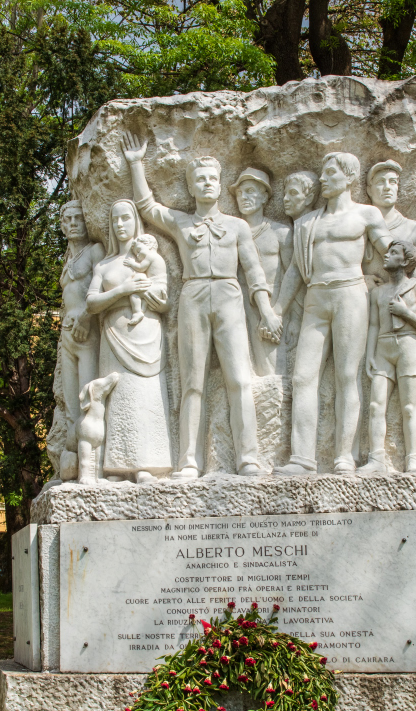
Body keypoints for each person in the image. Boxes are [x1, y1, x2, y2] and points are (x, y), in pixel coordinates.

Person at [121, 132, 278, 478]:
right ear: (191, 188)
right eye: (200, 180)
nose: (207, 184)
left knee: (239, 378)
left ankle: (248, 458)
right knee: (193, 382)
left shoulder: (237, 227)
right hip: (193, 297)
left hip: (229, 298)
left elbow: (254, 272)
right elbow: (147, 207)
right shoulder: (181, 222)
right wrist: (135, 163)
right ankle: (189, 460)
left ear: (220, 186)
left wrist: (266, 310)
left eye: (212, 179)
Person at [271, 152, 394, 475]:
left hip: (350, 295)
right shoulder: (308, 222)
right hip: (317, 296)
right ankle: (302, 457)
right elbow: (295, 272)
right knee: (302, 377)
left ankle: (344, 455)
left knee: (346, 377)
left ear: (350, 177)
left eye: (329, 173)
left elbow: (392, 253)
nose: (322, 179)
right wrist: (278, 310)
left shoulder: (366, 215)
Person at [85, 200, 174, 483]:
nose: (121, 225)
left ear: (135, 220)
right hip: (113, 336)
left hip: (147, 333)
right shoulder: (104, 265)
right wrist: (123, 290)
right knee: (118, 399)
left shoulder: (151, 258)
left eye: (126, 218)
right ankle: (116, 467)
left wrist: (144, 291)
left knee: (145, 397)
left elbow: (163, 300)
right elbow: (91, 303)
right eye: (115, 220)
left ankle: (147, 465)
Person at [359, 241, 416, 474]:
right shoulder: (378, 292)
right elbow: (374, 324)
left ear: (405, 261)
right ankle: (376, 459)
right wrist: (370, 355)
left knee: (409, 407)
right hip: (383, 346)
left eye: (393, 253)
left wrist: (406, 314)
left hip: (408, 345)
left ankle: (413, 459)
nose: (387, 255)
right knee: (376, 405)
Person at [57, 200, 105, 469]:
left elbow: (102, 284)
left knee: (89, 399)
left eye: (78, 218)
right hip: (67, 335)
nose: (73, 224)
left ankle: (93, 465)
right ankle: (72, 462)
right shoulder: (69, 256)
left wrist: (86, 318)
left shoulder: (95, 250)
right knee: (70, 406)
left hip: (88, 333)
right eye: (68, 219)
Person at [231, 168, 290, 377]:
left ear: (265, 196)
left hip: (273, 309)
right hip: (237, 309)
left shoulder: (281, 233)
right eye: (239, 193)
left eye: (249, 191)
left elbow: (294, 275)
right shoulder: (229, 233)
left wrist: (276, 313)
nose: (243, 197)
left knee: (272, 373)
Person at [269, 171, 318, 375]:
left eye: (293, 193)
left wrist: (295, 318)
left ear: (309, 197)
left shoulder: (309, 226)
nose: (285, 199)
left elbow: (299, 276)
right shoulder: (296, 227)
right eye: (284, 194)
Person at [361, 160, 416, 291]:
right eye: (380, 182)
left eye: (392, 182)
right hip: (365, 299)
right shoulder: (360, 226)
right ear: (369, 190)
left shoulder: (414, 228)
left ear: (398, 188)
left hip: (399, 301)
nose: (387, 187)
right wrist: (361, 280)